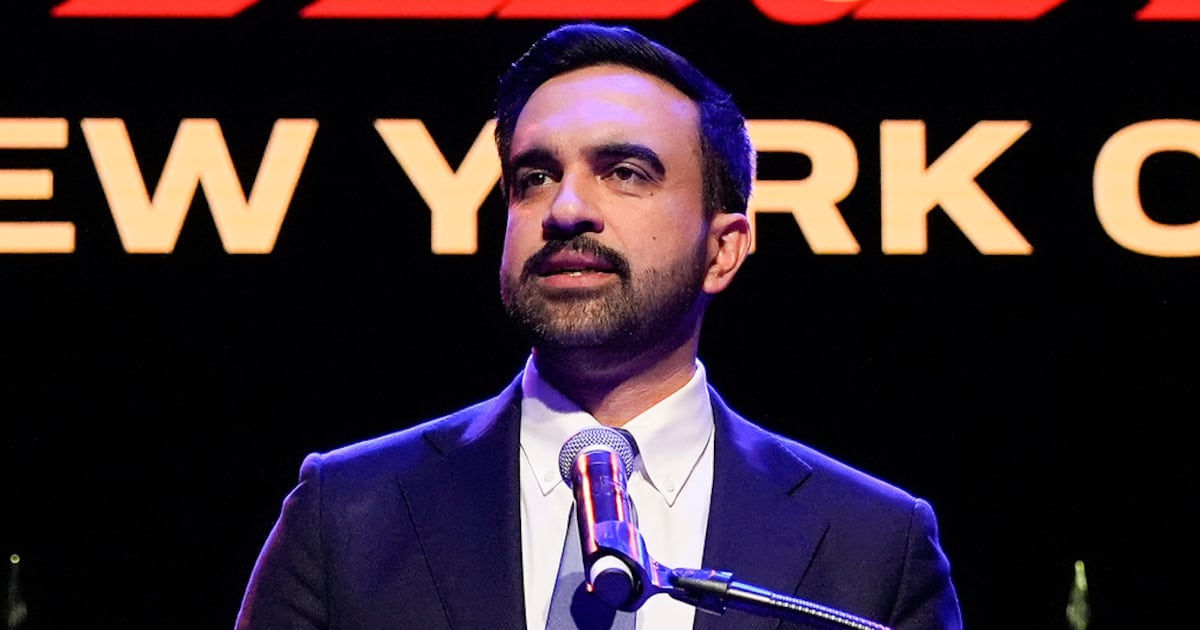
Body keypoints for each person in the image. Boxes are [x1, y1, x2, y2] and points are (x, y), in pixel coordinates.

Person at [234, 22, 963, 630]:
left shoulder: (874, 544)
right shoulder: (347, 513)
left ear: (722, 249)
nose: (565, 209)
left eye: (624, 172)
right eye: (535, 177)